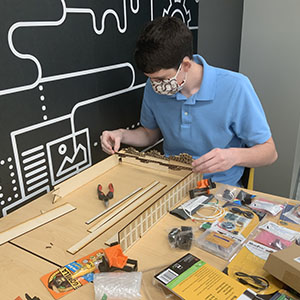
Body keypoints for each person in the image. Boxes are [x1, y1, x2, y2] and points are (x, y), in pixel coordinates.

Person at [101, 16, 277, 186]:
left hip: (219, 188)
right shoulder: (153, 86)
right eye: (151, 79)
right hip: (171, 183)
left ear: (186, 65)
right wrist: (121, 135)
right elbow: (150, 133)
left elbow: (269, 152)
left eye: (161, 79)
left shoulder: (236, 87)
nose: (156, 86)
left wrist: (234, 156)